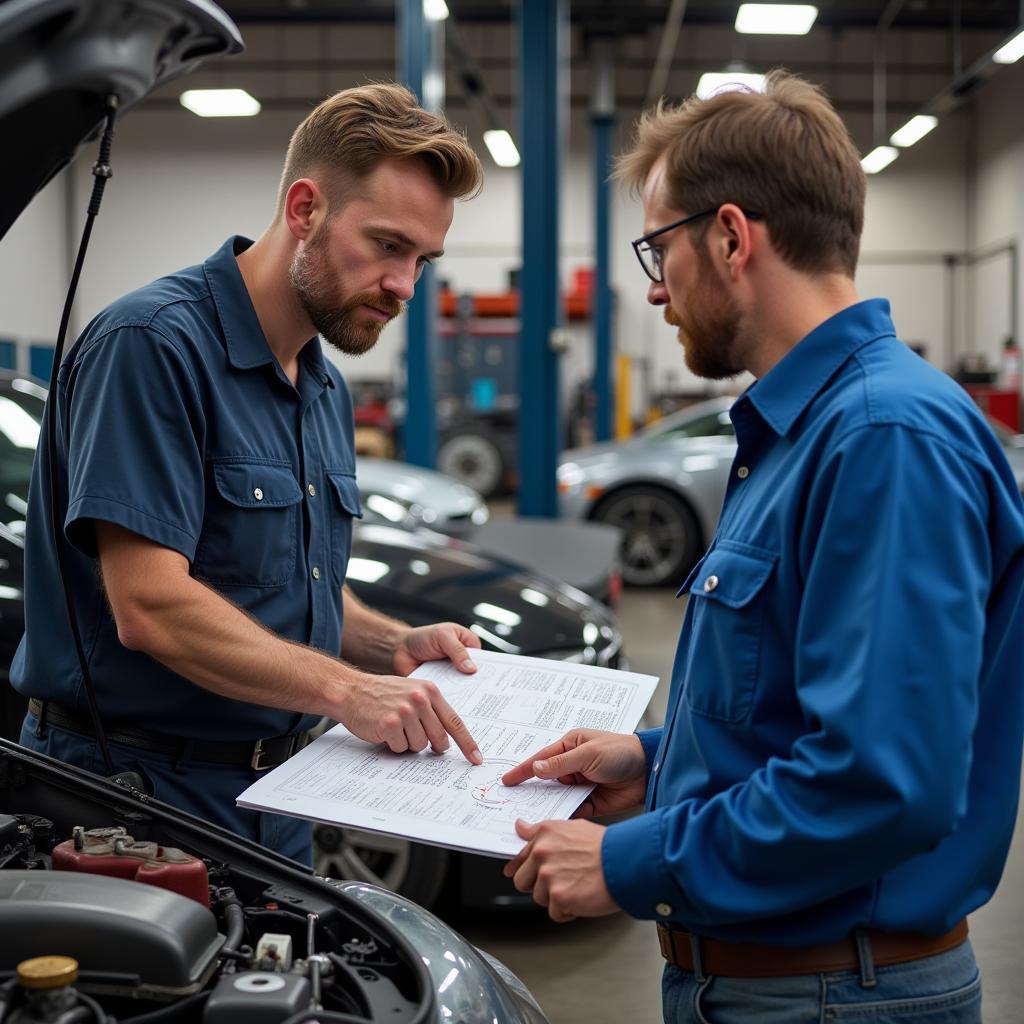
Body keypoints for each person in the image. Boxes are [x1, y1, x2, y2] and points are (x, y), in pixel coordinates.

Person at [502, 71, 1024, 1023]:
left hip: (833, 994)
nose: (655, 289)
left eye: (661, 249)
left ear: (733, 237)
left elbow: (882, 784)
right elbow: (794, 712)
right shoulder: (799, 437)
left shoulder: (882, 439)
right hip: (770, 986)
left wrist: (629, 861)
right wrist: (653, 762)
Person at [12, 83, 486, 865]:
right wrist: (348, 692)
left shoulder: (321, 385)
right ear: (305, 209)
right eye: (387, 245)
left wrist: (393, 644)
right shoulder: (153, 345)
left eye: (422, 261)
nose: (405, 285)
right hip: (132, 799)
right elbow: (153, 606)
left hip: (280, 798)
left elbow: (283, 584)